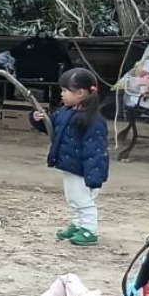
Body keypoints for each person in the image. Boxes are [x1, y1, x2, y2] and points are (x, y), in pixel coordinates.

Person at [32, 67, 109, 247]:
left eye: (65, 90)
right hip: (68, 165)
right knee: (73, 198)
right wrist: (39, 119)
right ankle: (77, 224)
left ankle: (89, 230)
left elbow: (95, 150)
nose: (62, 94)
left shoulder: (93, 120)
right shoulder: (65, 111)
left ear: (80, 93)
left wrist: (94, 175)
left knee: (83, 200)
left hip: (82, 169)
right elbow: (52, 128)